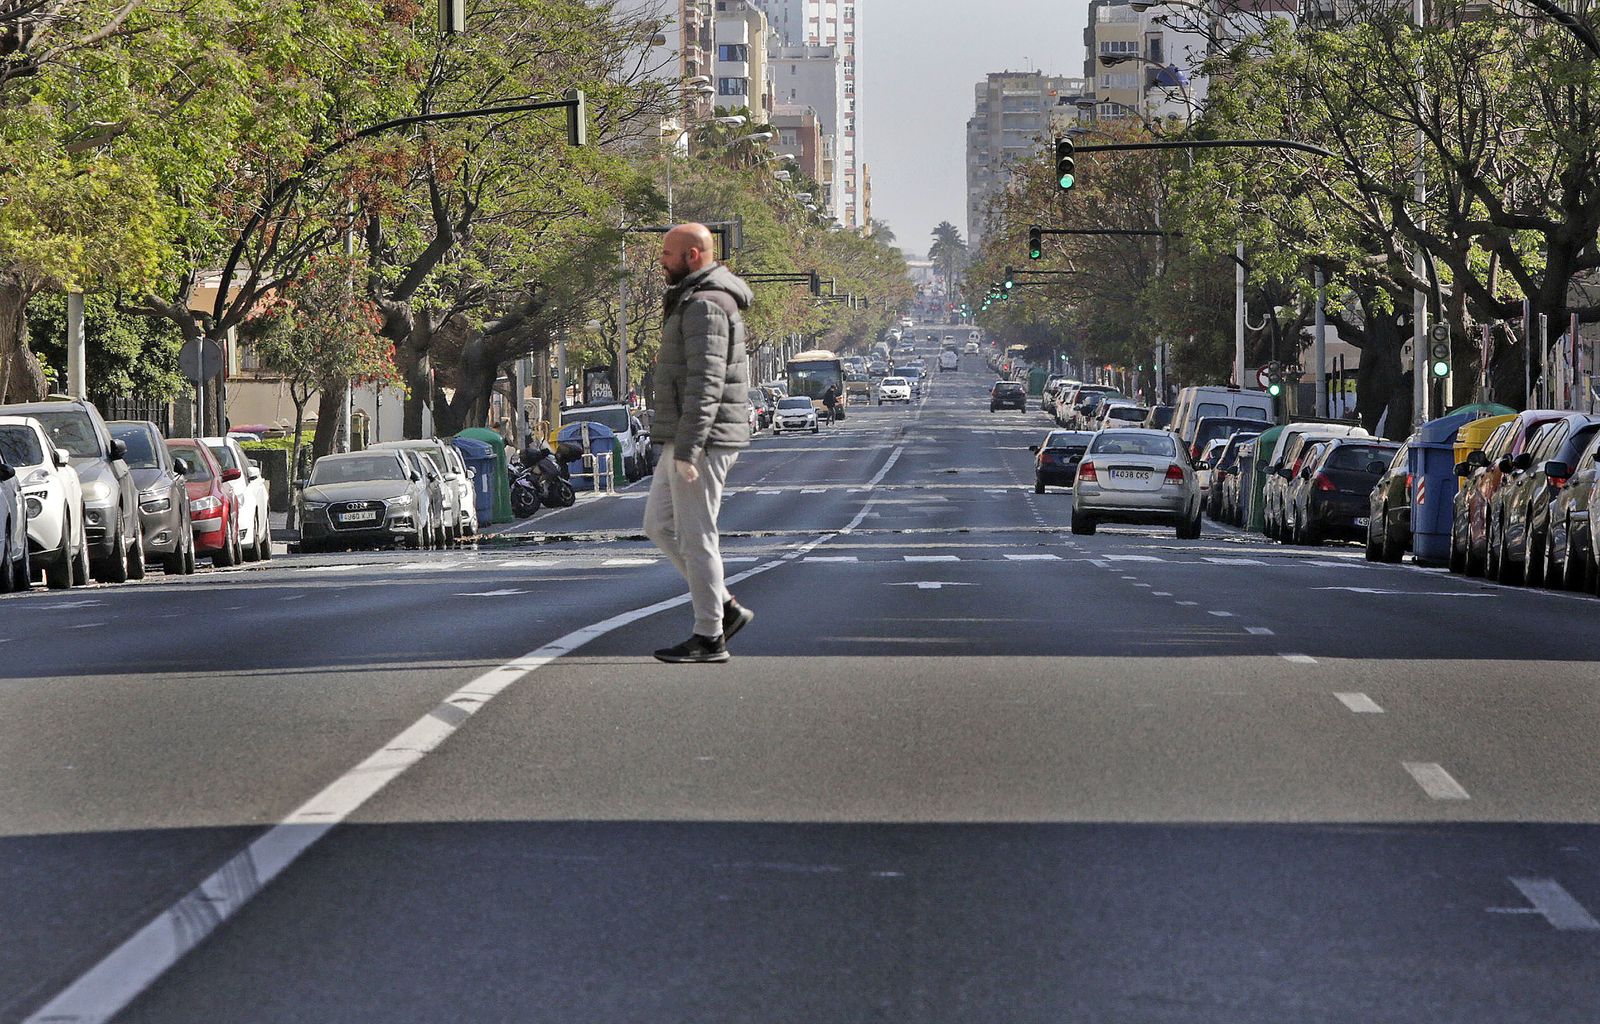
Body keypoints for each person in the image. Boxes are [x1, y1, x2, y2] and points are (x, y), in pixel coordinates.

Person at [643, 223, 756, 664]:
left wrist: (689, 450)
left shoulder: (706, 305)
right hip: (684, 435)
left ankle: (709, 635)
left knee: (697, 534)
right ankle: (723, 607)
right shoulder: (692, 299)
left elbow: (705, 384)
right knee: (658, 524)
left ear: (693, 256)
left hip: (701, 439)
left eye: (667, 254)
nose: (661, 261)